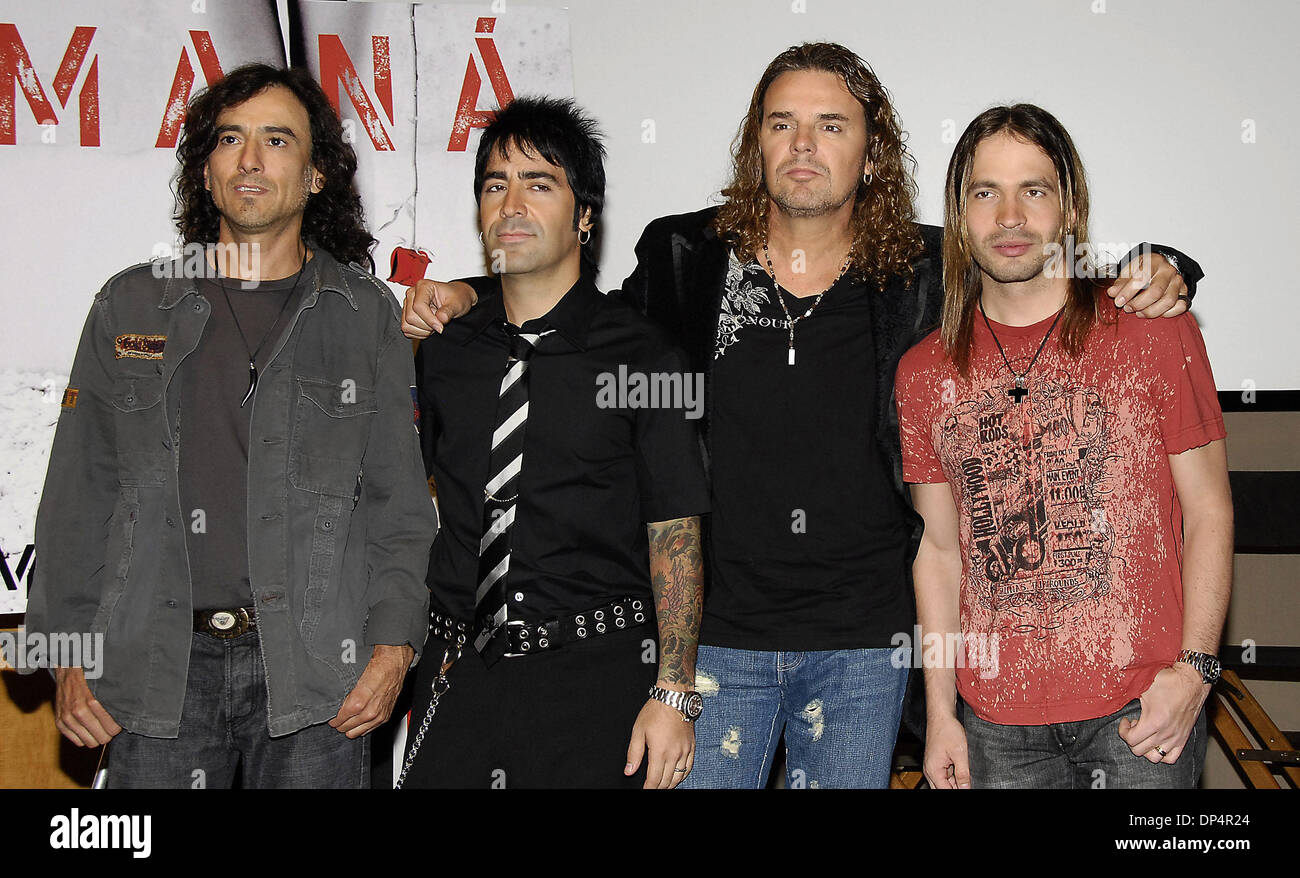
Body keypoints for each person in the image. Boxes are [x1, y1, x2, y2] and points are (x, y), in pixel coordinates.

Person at [400, 43, 1200, 788]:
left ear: (871, 151)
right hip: (715, 637)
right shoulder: (684, 258)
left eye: (831, 125)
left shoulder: (926, 269)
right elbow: (579, 321)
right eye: (782, 124)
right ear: (757, 146)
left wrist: (1165, 268)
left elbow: (1034, 262)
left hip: (864, 641)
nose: (805, 145)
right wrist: (472, 293)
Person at [25, 63, 435, 788]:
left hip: (317, 676)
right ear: (205, 171)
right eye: (230, 139)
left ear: (315, 176)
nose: (250, 159)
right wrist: (65, 652)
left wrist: (395, 646)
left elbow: (400, 506)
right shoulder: (130, 306)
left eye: (278, 140)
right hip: (154, 675)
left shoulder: (363, 313)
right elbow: (77, 498)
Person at [896, 104, 1232, 789]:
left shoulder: (1154, 332)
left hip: (1143, 713)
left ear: (1068, 206)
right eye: (985, 192)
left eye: (1035, 190)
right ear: (959, 214)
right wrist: (941, 712)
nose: (1010, 216)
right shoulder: (924, 373)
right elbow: (937, 551)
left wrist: (1195, 672)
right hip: (994, 725)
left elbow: (1210, 510)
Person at [398, 96, 709, 789]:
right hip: (458, 670)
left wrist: (674, 692)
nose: (512, 204)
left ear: (586, 216)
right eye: (494, 184)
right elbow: (409, 503)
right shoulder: (444, 349)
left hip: (596, 676)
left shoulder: (645, 360)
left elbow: (676, 531)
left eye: (540, 183)